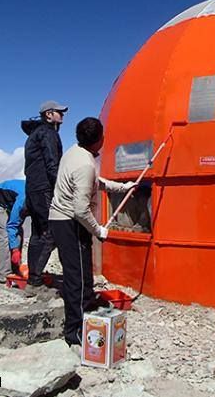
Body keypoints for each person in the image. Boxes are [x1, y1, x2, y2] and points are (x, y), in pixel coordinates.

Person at [49, 117, 135, 346]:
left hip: (62, 220)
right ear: (100, 140)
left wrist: (121, 187)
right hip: (69, 222)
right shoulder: (85, 164)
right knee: (76, 276)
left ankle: (86, 314)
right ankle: (74, 332)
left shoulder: (74, 152)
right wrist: (99, 231)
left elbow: (94, 181)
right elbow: (80, 209)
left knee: (83, 272)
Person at [22, 100, 67, 292]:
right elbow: (52, 163)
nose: (62, 115)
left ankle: (34, 277)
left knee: (37, 233)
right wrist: (63, 188)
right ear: (49, 114)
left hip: (32, 189)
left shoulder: (34, 134)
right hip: (44, 189)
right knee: (51, 231)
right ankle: (35, 280)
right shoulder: (48, 134)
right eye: (59, 112)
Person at [0, 179, 27, 283]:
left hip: (10, 202)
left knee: (19, 234)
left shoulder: (41, 198)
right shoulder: (23, 200)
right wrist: (15, 250)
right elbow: (12, 226)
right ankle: (4, 275)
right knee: (5, 235)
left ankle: (16, 270)